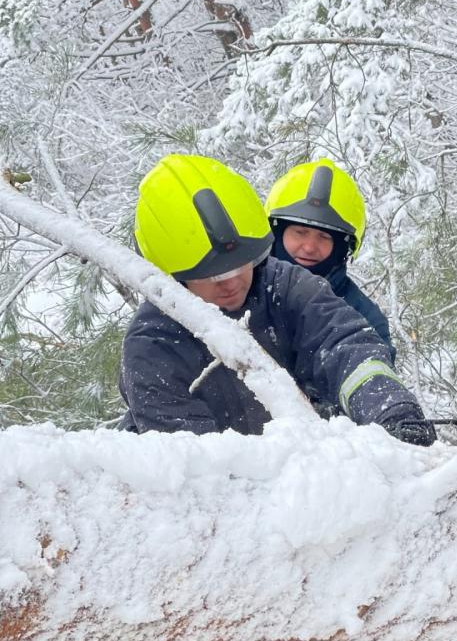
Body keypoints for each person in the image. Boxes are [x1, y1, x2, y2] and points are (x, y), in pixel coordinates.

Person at [117, 153, 435, 446]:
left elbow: (345, 344)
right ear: (173, 277)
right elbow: (199, 468)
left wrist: (391, 409)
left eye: (243, 265)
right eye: (212, 276)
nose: (232, 283)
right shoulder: (153, 346)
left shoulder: (284, 285)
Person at [264, 159, 396, 361]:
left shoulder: (363, 319)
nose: (309, 246)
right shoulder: (237, 290)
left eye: (324, 237)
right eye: (300, 232)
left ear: (342, 248)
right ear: (276, 231)